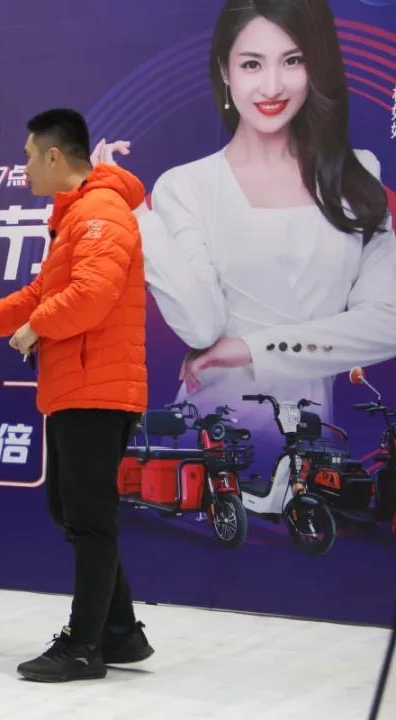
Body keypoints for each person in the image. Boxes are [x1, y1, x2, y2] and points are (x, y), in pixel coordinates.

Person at [92, 0, 395, 449]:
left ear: (316, 65)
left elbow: (388, 322)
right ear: (226, 72)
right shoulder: (187, 186)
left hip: (313, 439)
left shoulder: (356, 175)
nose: (272, 85)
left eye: (292, 60)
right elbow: (200, 327)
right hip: (211, 435)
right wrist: (138, 217)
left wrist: (252, 349)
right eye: (252, 64)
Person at [0, 109, 153, 682]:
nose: (23, 166)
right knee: (71, 510)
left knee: (90, 518)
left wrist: (37, 327)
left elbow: (91, 295)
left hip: (97, 389)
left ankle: (84, 646)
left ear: (54, 156)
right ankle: (119, 632)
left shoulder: (99, 212)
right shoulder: (76, 216)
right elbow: (41, 293)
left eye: (27, 155)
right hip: (78, 386)